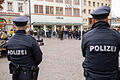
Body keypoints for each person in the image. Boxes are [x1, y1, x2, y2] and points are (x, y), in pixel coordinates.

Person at [81, 6, 120, 80]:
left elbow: (84, 54)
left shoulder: (87, 36)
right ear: (107, 19)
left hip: (92, 76)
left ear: (94, 20)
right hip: (111, 76)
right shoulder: (117, 36)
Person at [5, 16, 43, 80]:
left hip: (15, 73)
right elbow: (39, 57)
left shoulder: (10, 41)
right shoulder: (31, 40)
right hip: (28, 73)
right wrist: (31, 64)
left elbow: (9, 57)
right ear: (26, 26)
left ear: (15, 26)